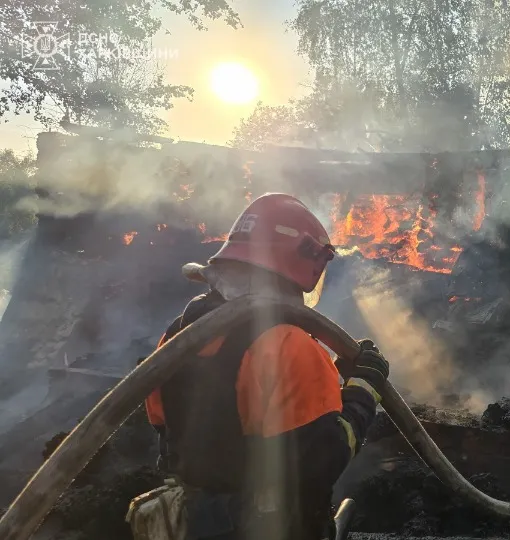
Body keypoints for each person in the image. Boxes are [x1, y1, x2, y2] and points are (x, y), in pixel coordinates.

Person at [135, 193, 389, 540]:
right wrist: (363, 388)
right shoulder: (290, 344)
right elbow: (325, 457)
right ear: (305, 262)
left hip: (195, 522)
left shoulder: (179, 333)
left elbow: (163, 426)